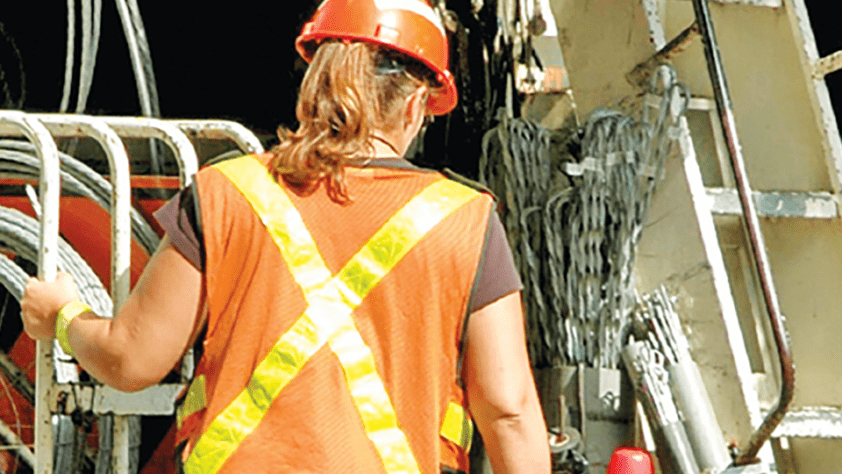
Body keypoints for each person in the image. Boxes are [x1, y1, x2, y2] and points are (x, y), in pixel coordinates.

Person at [21, 0, 551, 472]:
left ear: (314, 79)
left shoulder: (225, 191)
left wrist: (61, 316)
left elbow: (132, 359)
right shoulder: (464, 219)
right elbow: (507, 410)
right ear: (416, 105)